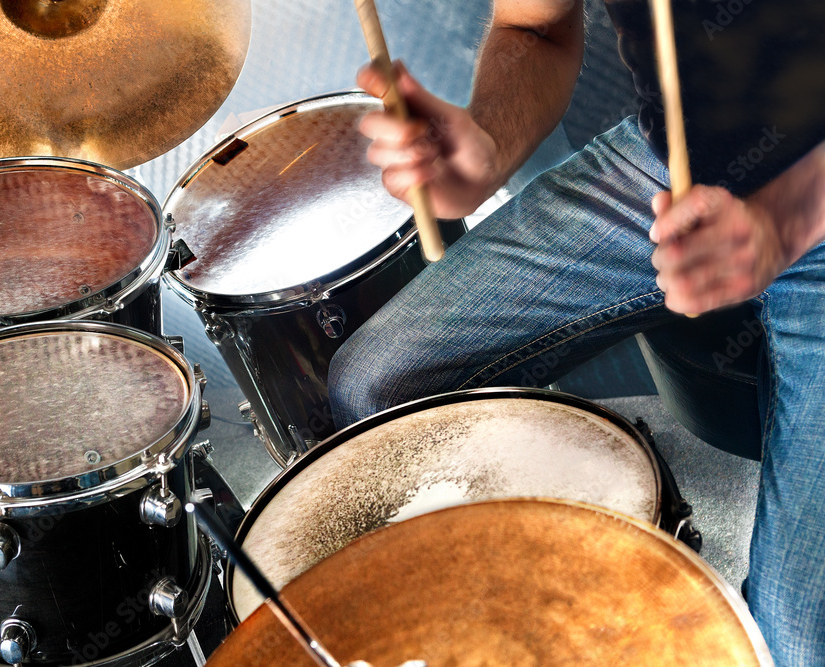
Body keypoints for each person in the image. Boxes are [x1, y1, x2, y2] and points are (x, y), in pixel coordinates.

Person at [328, 0, 825, 663]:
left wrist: (782, 223)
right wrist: (486, 146)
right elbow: (533, 27)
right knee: (377, 390)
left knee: (790, 644)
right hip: (670, 167)